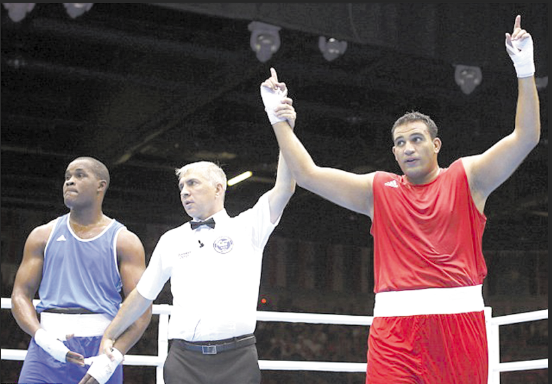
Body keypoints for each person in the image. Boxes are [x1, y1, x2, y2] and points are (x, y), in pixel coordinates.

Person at [263, 15, 540, 384]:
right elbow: (308, 174)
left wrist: (524, 67)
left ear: (436, 144)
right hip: (394, 331)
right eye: (399, 143)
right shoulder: (378, 190)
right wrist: (278, 119)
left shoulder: (467, 177)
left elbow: (526, 137)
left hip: (458, 328)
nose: (408, 148)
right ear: (393, 154)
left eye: (416, 139)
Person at [79, 110, 296, 383]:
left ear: (219, 188)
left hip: (237, 359)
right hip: (183, 360)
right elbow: (143, 295)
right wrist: (110, 333)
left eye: (192, 183)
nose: (184, 191)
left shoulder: (248, 227)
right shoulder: (171, 239)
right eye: (181, 185)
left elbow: (285, 187)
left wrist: (283, 125)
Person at [11, 156, 152, 384]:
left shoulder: (124, 241)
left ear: (100, 185)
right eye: (67, 177)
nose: (69, 182)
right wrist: (41, 337)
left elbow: (142, 306)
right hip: (46, 348)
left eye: (79, 175)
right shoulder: (42, 236)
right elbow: (20, 294)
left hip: (102, 349)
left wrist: (112, 359)